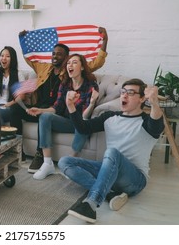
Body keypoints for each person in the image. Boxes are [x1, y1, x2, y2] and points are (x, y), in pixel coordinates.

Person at [59, 78, 164, 223]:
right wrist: (70, 105)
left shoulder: (146, 122)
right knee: (65, 162)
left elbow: (157, 126)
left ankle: (91, 203)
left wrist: (154, 103)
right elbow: (83, 128)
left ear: (141, 99)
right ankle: (110, 194)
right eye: (123, 92)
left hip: (135, 180)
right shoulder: (110, 117)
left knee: (112, 152)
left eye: (131, 93)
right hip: (109, 173)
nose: (124, 96)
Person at [10, 27, 108, 171]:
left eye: (60, 55)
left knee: (46, 117)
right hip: (44, 106)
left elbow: (97, 63)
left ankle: (40, 155)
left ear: (67, 57)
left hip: (58, 112)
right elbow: (29, 58)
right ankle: (18, 151)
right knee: (14, 109)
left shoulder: (71, 76)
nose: (55, 56)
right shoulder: (45, 69)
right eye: (54, 54)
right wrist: (22, 40)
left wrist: (104, 40)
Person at [26, 54, 99, 180]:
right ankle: (47, 163)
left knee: (84, 123)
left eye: (74, 62)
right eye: (69, 63)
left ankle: (70, 163)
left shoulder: (91, 85)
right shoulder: (65, 84)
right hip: (66, 121)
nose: (70, 65)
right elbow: (57, 108)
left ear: (82, 67)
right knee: (45, 117)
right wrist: (40, 110)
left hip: (81, 122)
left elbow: (85, 116)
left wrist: (92, 103)